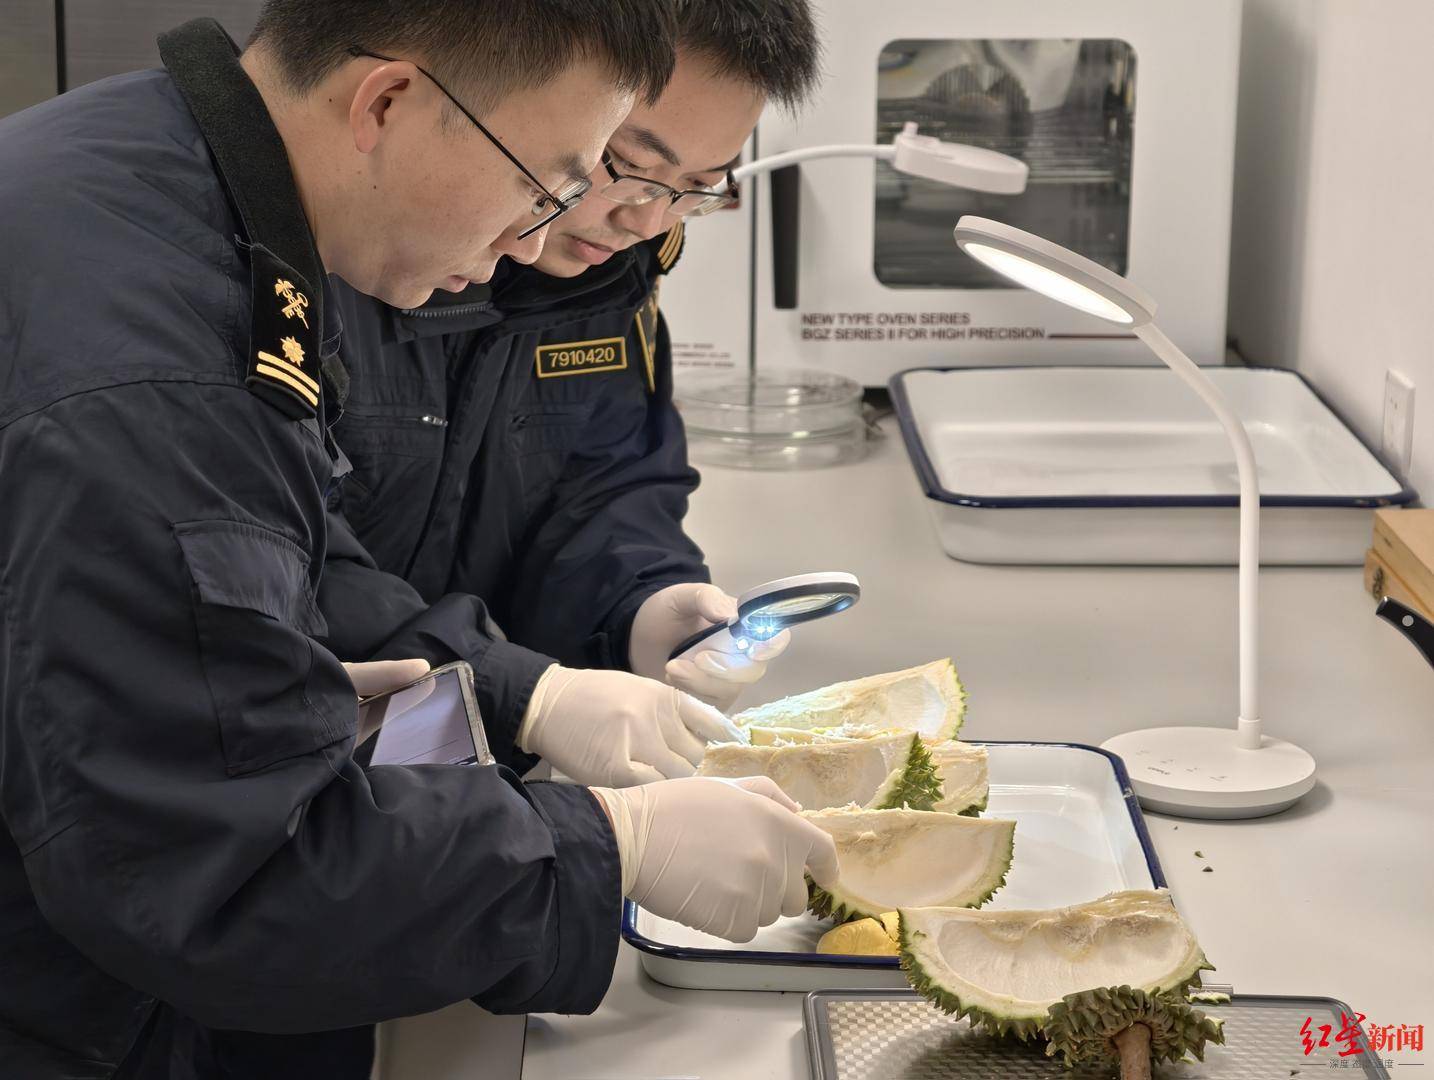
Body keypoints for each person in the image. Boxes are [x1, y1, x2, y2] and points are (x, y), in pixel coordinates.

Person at [0, 6, 839, 1078]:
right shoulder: (161, 364)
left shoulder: (163, 187)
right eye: (549, 182)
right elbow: (227, 873)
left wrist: (533, 670)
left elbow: (271, 551)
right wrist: (603, 844)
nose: (536, 244)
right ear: (388, 102)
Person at [322, 0, 822, 786]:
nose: (646, 217)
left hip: (466, 783)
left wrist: (643, 605)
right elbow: (280, 564)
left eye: (695, 187)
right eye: (622, 164)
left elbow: (604, 480)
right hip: (295, 774)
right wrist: (526, 695)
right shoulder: (336, 256)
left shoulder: (615, 273)